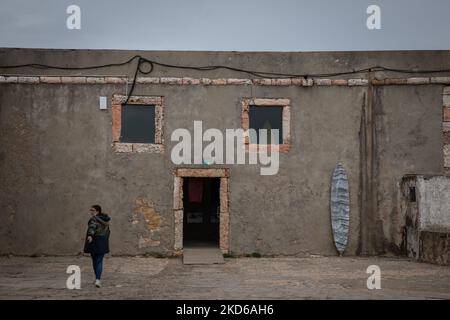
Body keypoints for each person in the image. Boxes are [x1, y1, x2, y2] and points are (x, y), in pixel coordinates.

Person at [83, 205, 111, 288]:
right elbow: (108, 231)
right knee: (99, 261)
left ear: (98, 211)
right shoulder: (106, 220)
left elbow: (92, 227)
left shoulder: (94, 219)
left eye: (93, 210)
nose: (91, 212)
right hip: (103, 241)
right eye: (90, 210)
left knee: (95, 261)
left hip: (94, 241)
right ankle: (98, 279)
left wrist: (90, 235)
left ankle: (97, 279)